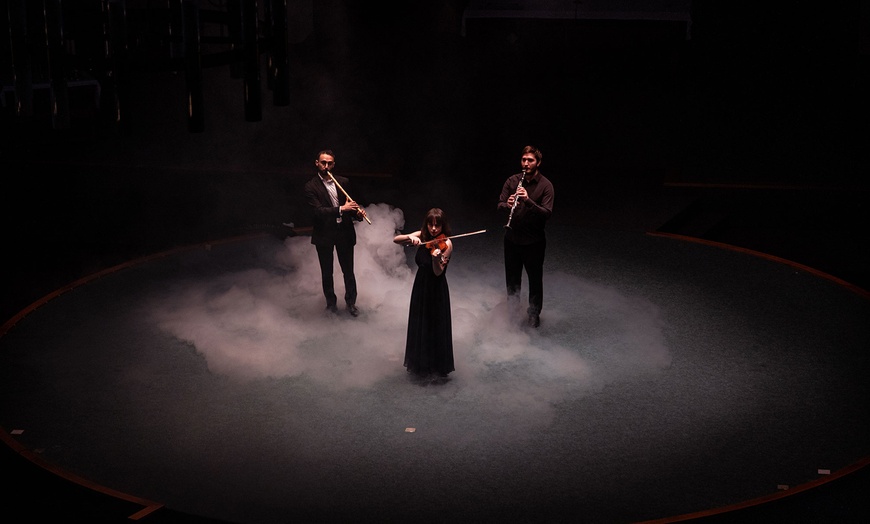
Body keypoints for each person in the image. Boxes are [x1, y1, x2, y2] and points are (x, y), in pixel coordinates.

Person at [393, 208, 455, 378]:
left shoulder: (447, 244)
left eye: (437, 225)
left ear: (443, 225)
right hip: (421, 285)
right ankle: (421, 364)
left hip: (436, 288)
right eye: (431, 224)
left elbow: (437, 273)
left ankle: (436, 366)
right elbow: (395, 239)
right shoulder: (422, 235)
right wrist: (409, 237)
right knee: (420, 323)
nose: (434, 229)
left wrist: (436, 258)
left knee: (435, 324)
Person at [497, 145, 554, 328]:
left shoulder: (546, 185)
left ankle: (533, 314)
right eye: (524, 160)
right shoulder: (512, 181)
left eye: (530, 160)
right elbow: (499, 205)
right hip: (512, 239)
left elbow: (547, 213)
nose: (526, 163)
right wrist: (507, 204)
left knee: (535, 279)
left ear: (538, 162)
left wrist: (528, 200)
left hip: (534, 242)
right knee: (512, 279)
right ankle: (513, 312)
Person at [303, 150, 364, 316]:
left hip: (344, 233)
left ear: (334, 164)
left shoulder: (343, 182)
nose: (326, 166)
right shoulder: (310, 186)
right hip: (324, 235)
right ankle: (331, 304)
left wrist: (357, 214)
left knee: (348, 271)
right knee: (327, 272)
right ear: (317, 163)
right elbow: (318, 212)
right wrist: (341, 209)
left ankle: (351, 303)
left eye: (329, 163)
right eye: (323, 162)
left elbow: (350, 208)